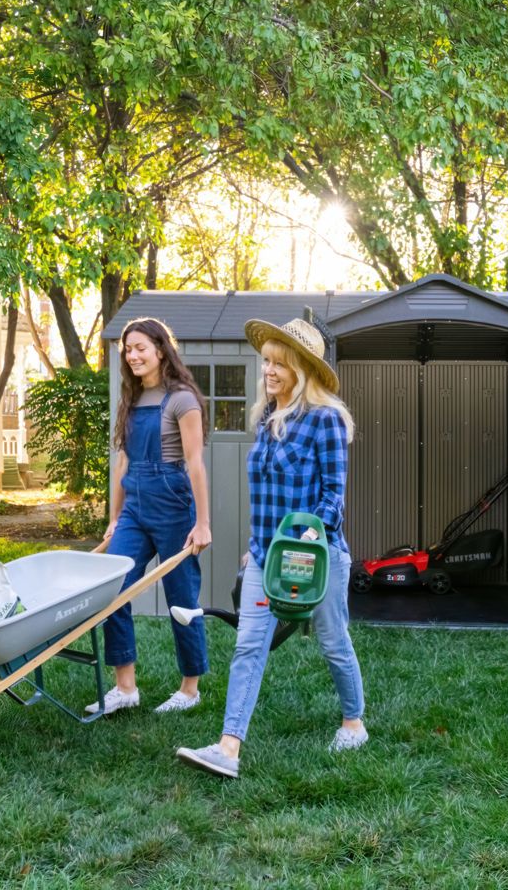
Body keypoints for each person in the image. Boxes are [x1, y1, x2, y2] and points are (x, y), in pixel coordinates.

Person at [176, 317, 367, 778]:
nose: (269, 371)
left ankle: (354, 723)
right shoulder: (267, 419)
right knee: (249, 646)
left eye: (279, 364)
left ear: (302, 369)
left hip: (316, 557)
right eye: (266, 362)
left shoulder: (325, 420)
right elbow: (265, 494)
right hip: (266, 556)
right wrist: (258, 546)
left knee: (333, 641)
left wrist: (298, 544)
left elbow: (333, 499)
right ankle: (228, 747)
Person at [87, 317, 212, 716]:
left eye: (140, 347)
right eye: (128, 349)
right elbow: (123, 463)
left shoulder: (182, 400)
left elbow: (195, 464)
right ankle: (125, 687)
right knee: (113, 589)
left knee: (181, 599)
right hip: (135, 508)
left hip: (173, 504)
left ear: (161, 349)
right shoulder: (132, 398)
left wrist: (203, 523)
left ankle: (190, 689)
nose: (133, 355)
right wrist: (115, 517)